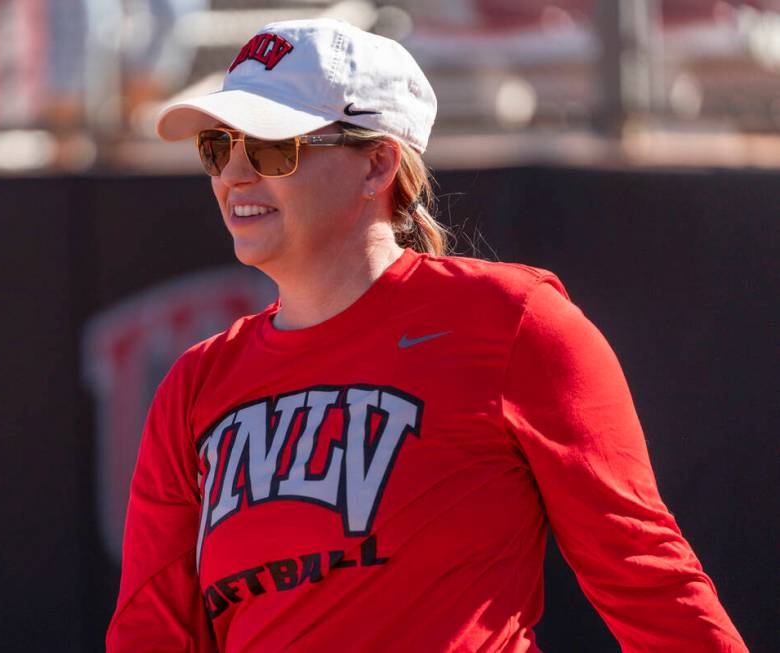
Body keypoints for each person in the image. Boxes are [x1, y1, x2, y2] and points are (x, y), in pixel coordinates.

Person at [105, 18, 748, 652]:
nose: (233, 176)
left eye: (275, 148)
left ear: (377, 165)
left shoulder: (513, 323)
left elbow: (645, 576)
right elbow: (150, 633)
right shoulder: (194, 386)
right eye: (218, 147)